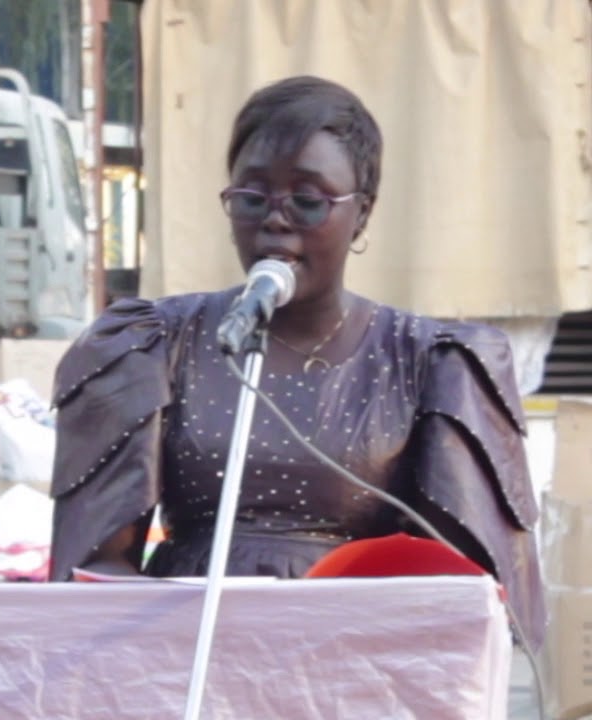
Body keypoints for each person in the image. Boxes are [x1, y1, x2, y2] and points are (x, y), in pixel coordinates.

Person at [47, 75, 544, 651]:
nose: (275, 221)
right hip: (187, 657)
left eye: (307, 201)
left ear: (361, 214)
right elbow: (95, 574)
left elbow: (466, 597)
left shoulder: (429, 362)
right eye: (253, 197)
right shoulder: (153, 343)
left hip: (358, 665)